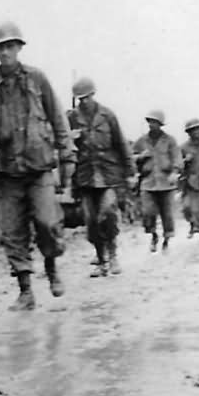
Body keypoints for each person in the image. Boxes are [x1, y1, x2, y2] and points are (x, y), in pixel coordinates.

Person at [0, 21, 74, 310]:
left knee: (47, 222)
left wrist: (67, 157)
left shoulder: (37, 79)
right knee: (12, 232)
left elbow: (57, 119)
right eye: (0, 48)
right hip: (6, 172)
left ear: (18, 48)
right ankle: (25, 290)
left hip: (38, 167)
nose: (5, 53)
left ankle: (51, 268)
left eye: (10, 47)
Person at [67, 77, 134, 276]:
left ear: (93, 95)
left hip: (108, 175)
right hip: (85, 176)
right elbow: (62, 144)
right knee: (91, 220)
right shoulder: (71, 118)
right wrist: (71, 138)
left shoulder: (107, 116)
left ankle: (113, 256)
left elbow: (121, 145)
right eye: (80, 99)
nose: (84, 102)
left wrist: (130, 173)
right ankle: (101, 260)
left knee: (108, 213)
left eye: (87, 97)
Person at [132, 110, 183, 252]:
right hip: (148, 182)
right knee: (148, 212)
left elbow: (177, 158)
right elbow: (131, 158)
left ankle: (166, 239)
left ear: (160, 124)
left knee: (167, 213)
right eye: (150, 122)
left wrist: (175, 172)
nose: (152, 125)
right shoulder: (141, 141)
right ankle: (153, 235)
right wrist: (140, 157)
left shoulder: (170, 140)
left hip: (166, 183)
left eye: (155, 122)